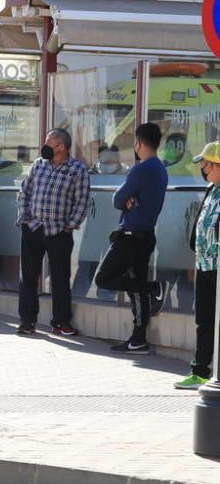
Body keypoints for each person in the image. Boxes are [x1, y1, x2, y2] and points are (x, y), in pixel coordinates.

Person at [91, 124, 168, 354]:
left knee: (104, 278)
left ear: (139, 144)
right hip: (145, 235)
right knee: (136, 292)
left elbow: (117, 199)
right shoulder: (161, 169)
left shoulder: (141, 169)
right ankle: (138, 339)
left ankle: (152, 287)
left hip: (131, 237)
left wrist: (127, 198)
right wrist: (130, 198)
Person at [16, 129, 91, 336]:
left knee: (60, 278)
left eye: (49, 142)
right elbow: (25, 192)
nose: (45, 146)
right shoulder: (38, 164)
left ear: (61, 147)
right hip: (33, 229)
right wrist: (25, 217)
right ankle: (27, 321)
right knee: (28, 277)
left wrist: (70, 225)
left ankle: (61, 322)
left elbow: (82, 201)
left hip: (59, 232)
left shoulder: (77, 169)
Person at [175, 143, 220, 389]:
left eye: (206, 165)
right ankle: (200, 371)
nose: (203, 169)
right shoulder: (211, 189)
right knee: (204, 320)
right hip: (205, 265)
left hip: (219, 269)